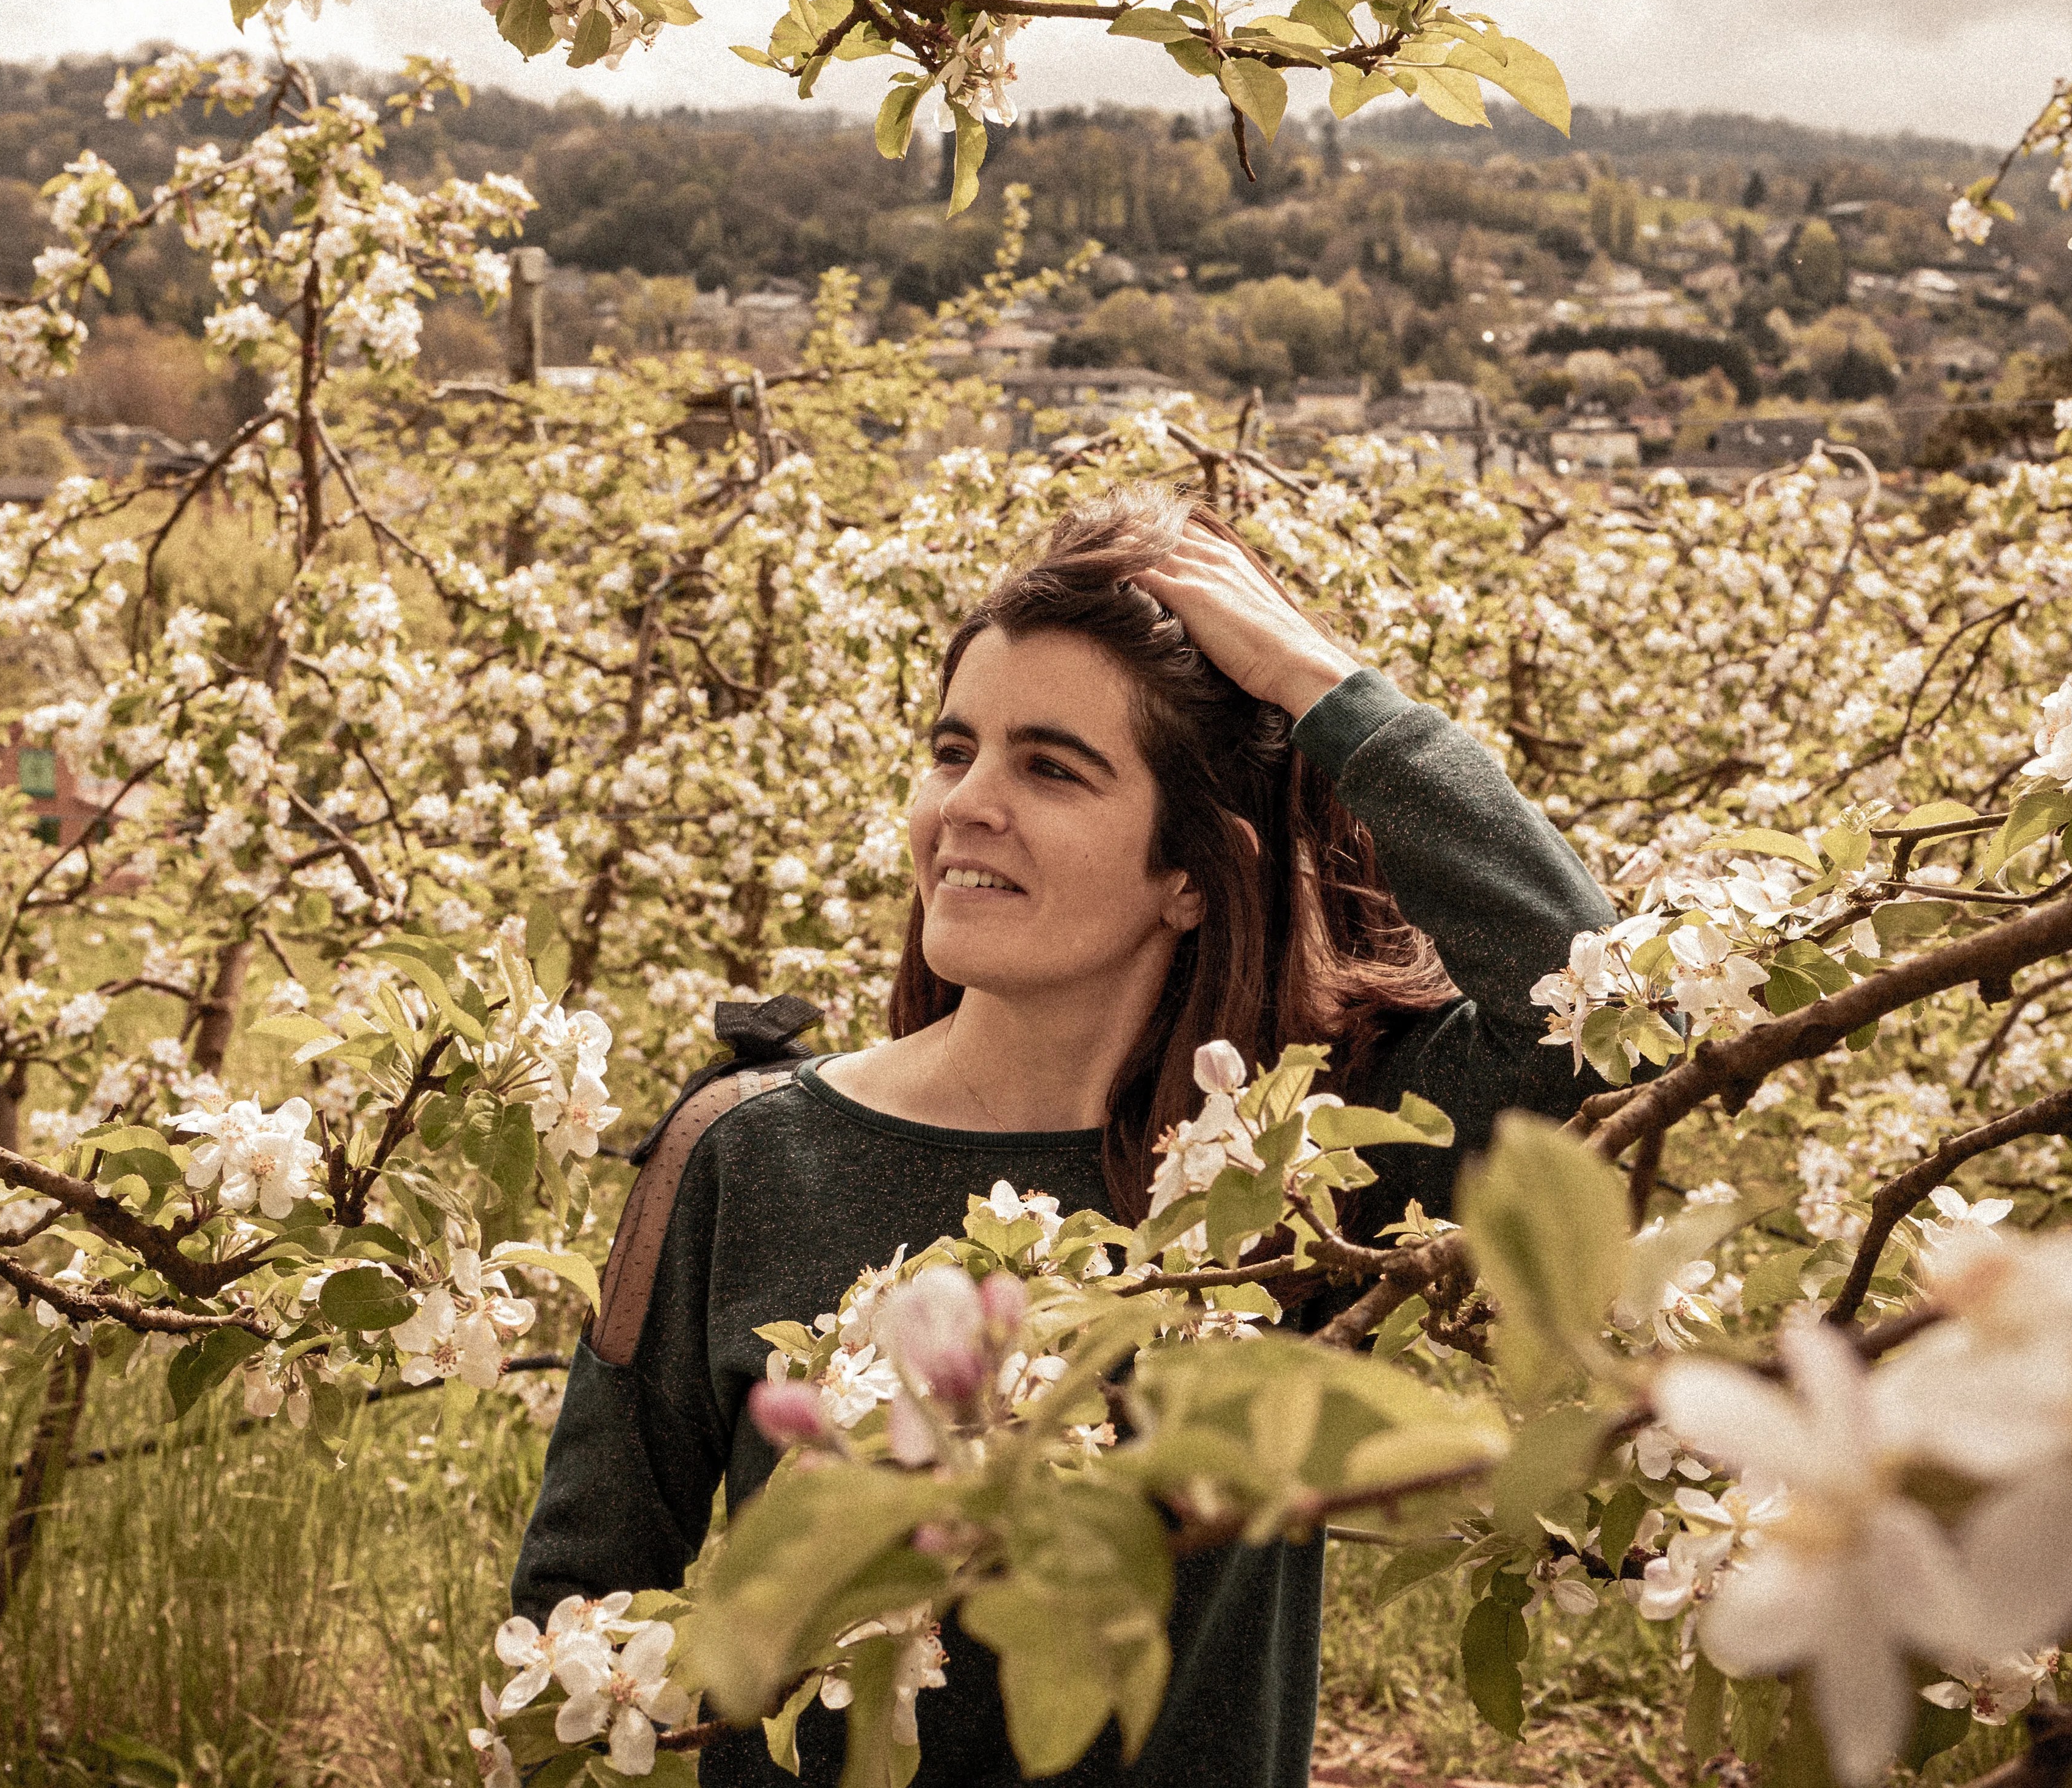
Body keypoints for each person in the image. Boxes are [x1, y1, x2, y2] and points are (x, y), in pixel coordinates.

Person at [510, 487, 1613, 1784]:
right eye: (951, 750)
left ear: (1190, 875)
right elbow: (575, 1612)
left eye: (1050, 765)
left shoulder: (1280, 1175)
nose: (967, 803)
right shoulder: (745, 1153)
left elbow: (1586, 994)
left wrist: (1325, 689)